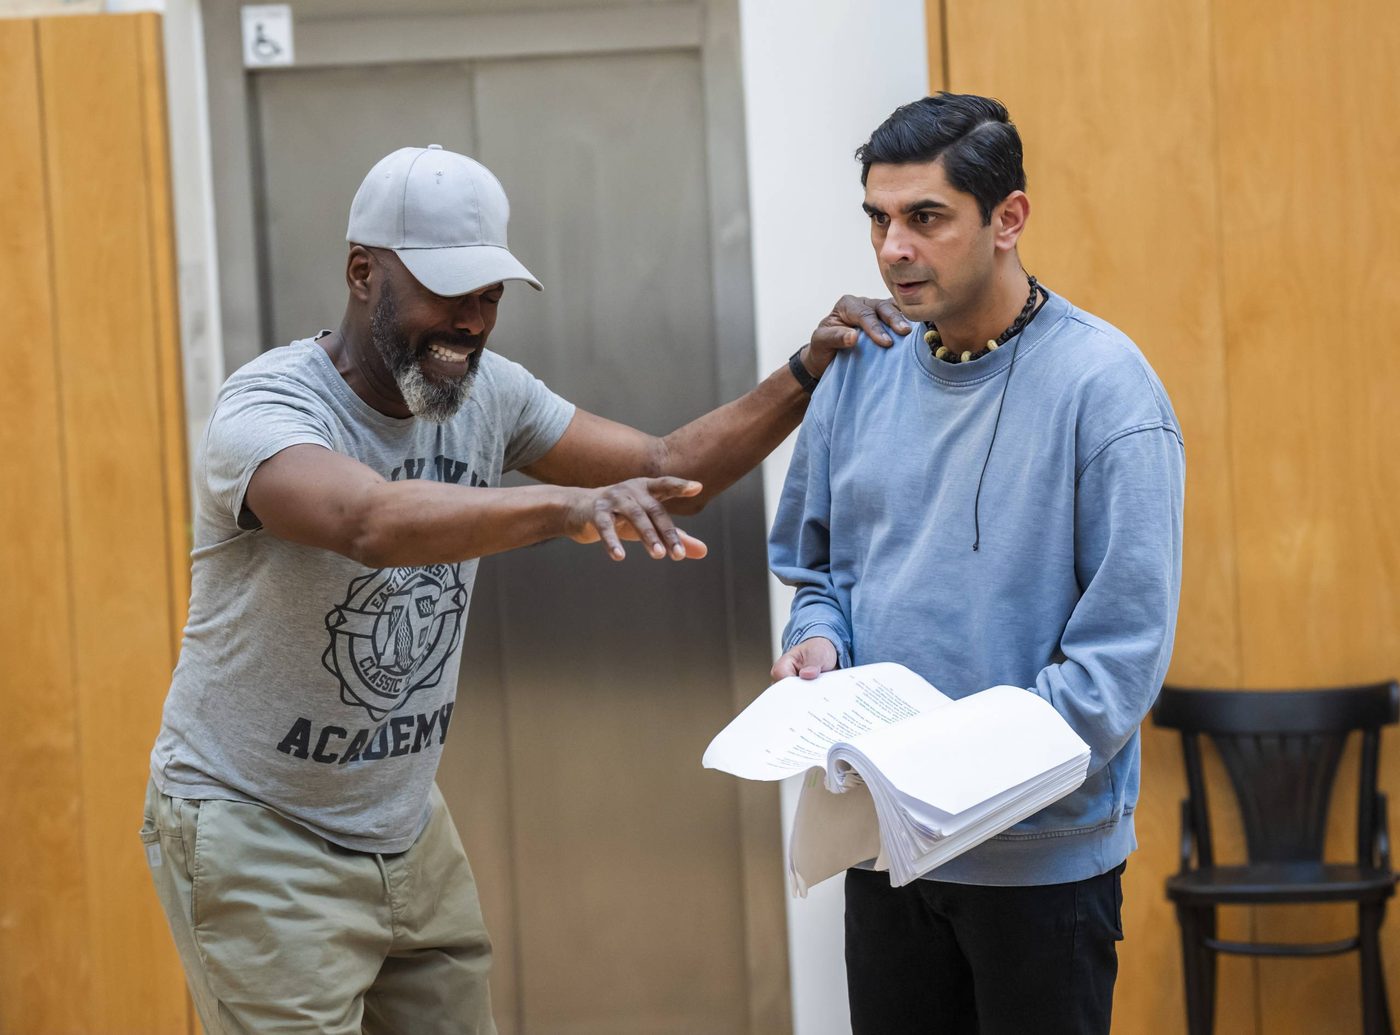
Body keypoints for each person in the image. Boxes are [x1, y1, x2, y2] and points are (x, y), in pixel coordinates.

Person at [140, 144, 904, 1034]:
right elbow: (367, 522)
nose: (471, 320)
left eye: (490, 295)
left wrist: (805, 370)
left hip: (401, 821)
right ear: (362, 273)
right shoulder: (268, 407)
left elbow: (666, 468)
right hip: (257, 826)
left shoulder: (487, 392)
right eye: (447, 292)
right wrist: (564, 507)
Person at [769, 94, 1185, 1035]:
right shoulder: (859, 370)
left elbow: (1120, 657)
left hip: (1038, 861)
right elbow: (818, 572)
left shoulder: (1106, 390)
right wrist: (817, 643)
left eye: (925, 217)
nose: (892, 249)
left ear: (1009, 219)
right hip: (884, 847)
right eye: (878, 218)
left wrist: (957, 771)